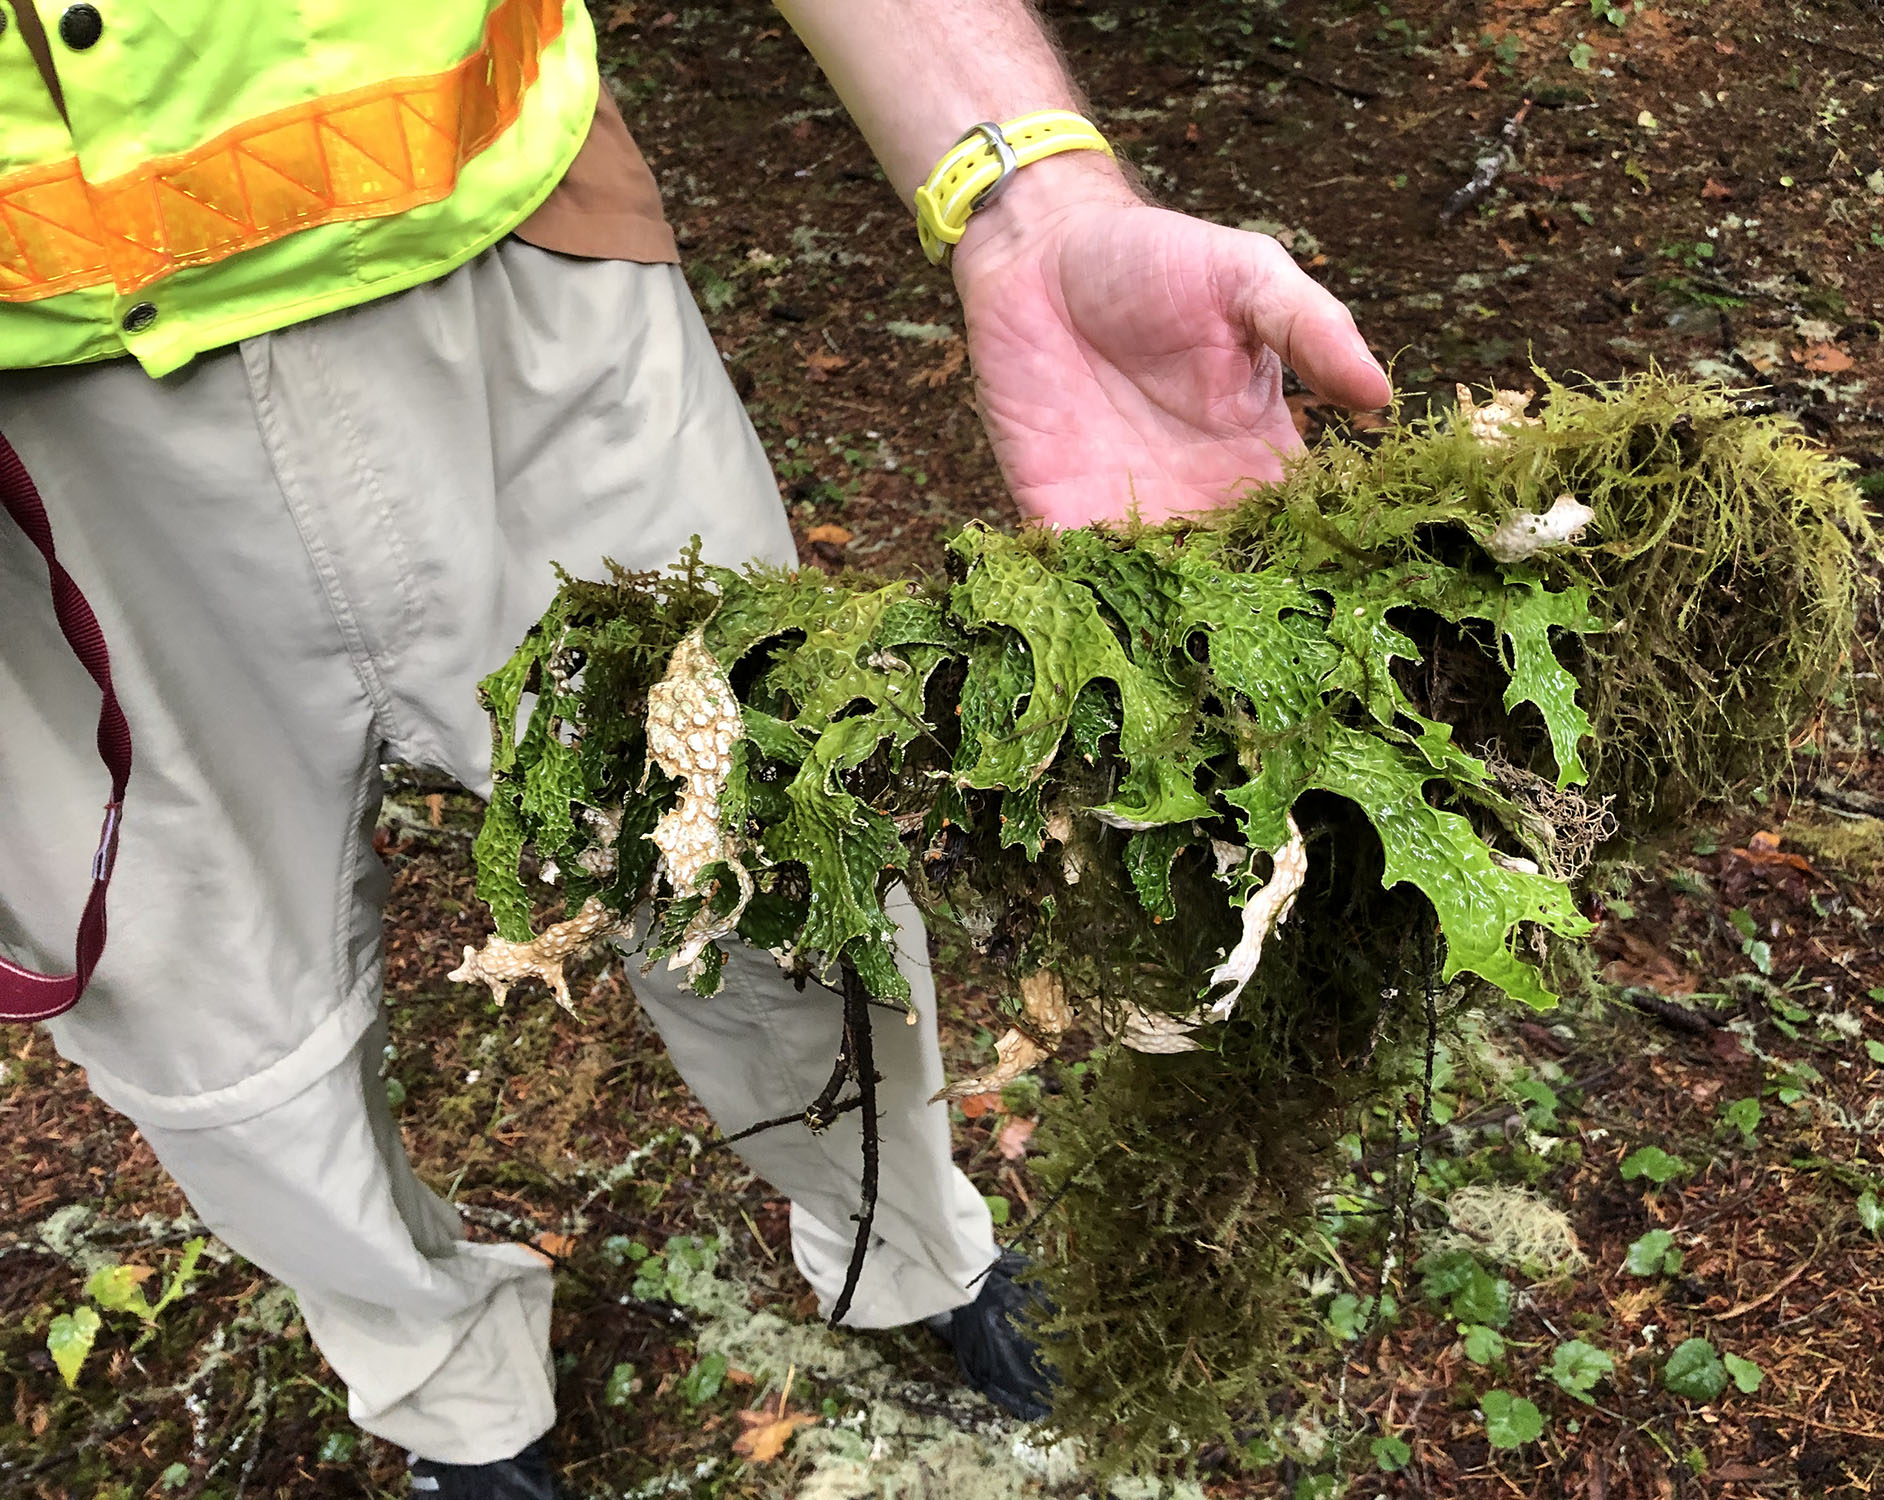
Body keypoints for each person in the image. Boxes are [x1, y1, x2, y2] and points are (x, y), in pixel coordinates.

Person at [0, 2, 1388, 1495]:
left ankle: (909, 1253)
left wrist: (1030, 193)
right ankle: (448, 1389)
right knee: (211, 1019)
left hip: (507, 263)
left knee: (771, 870)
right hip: (44, 435)